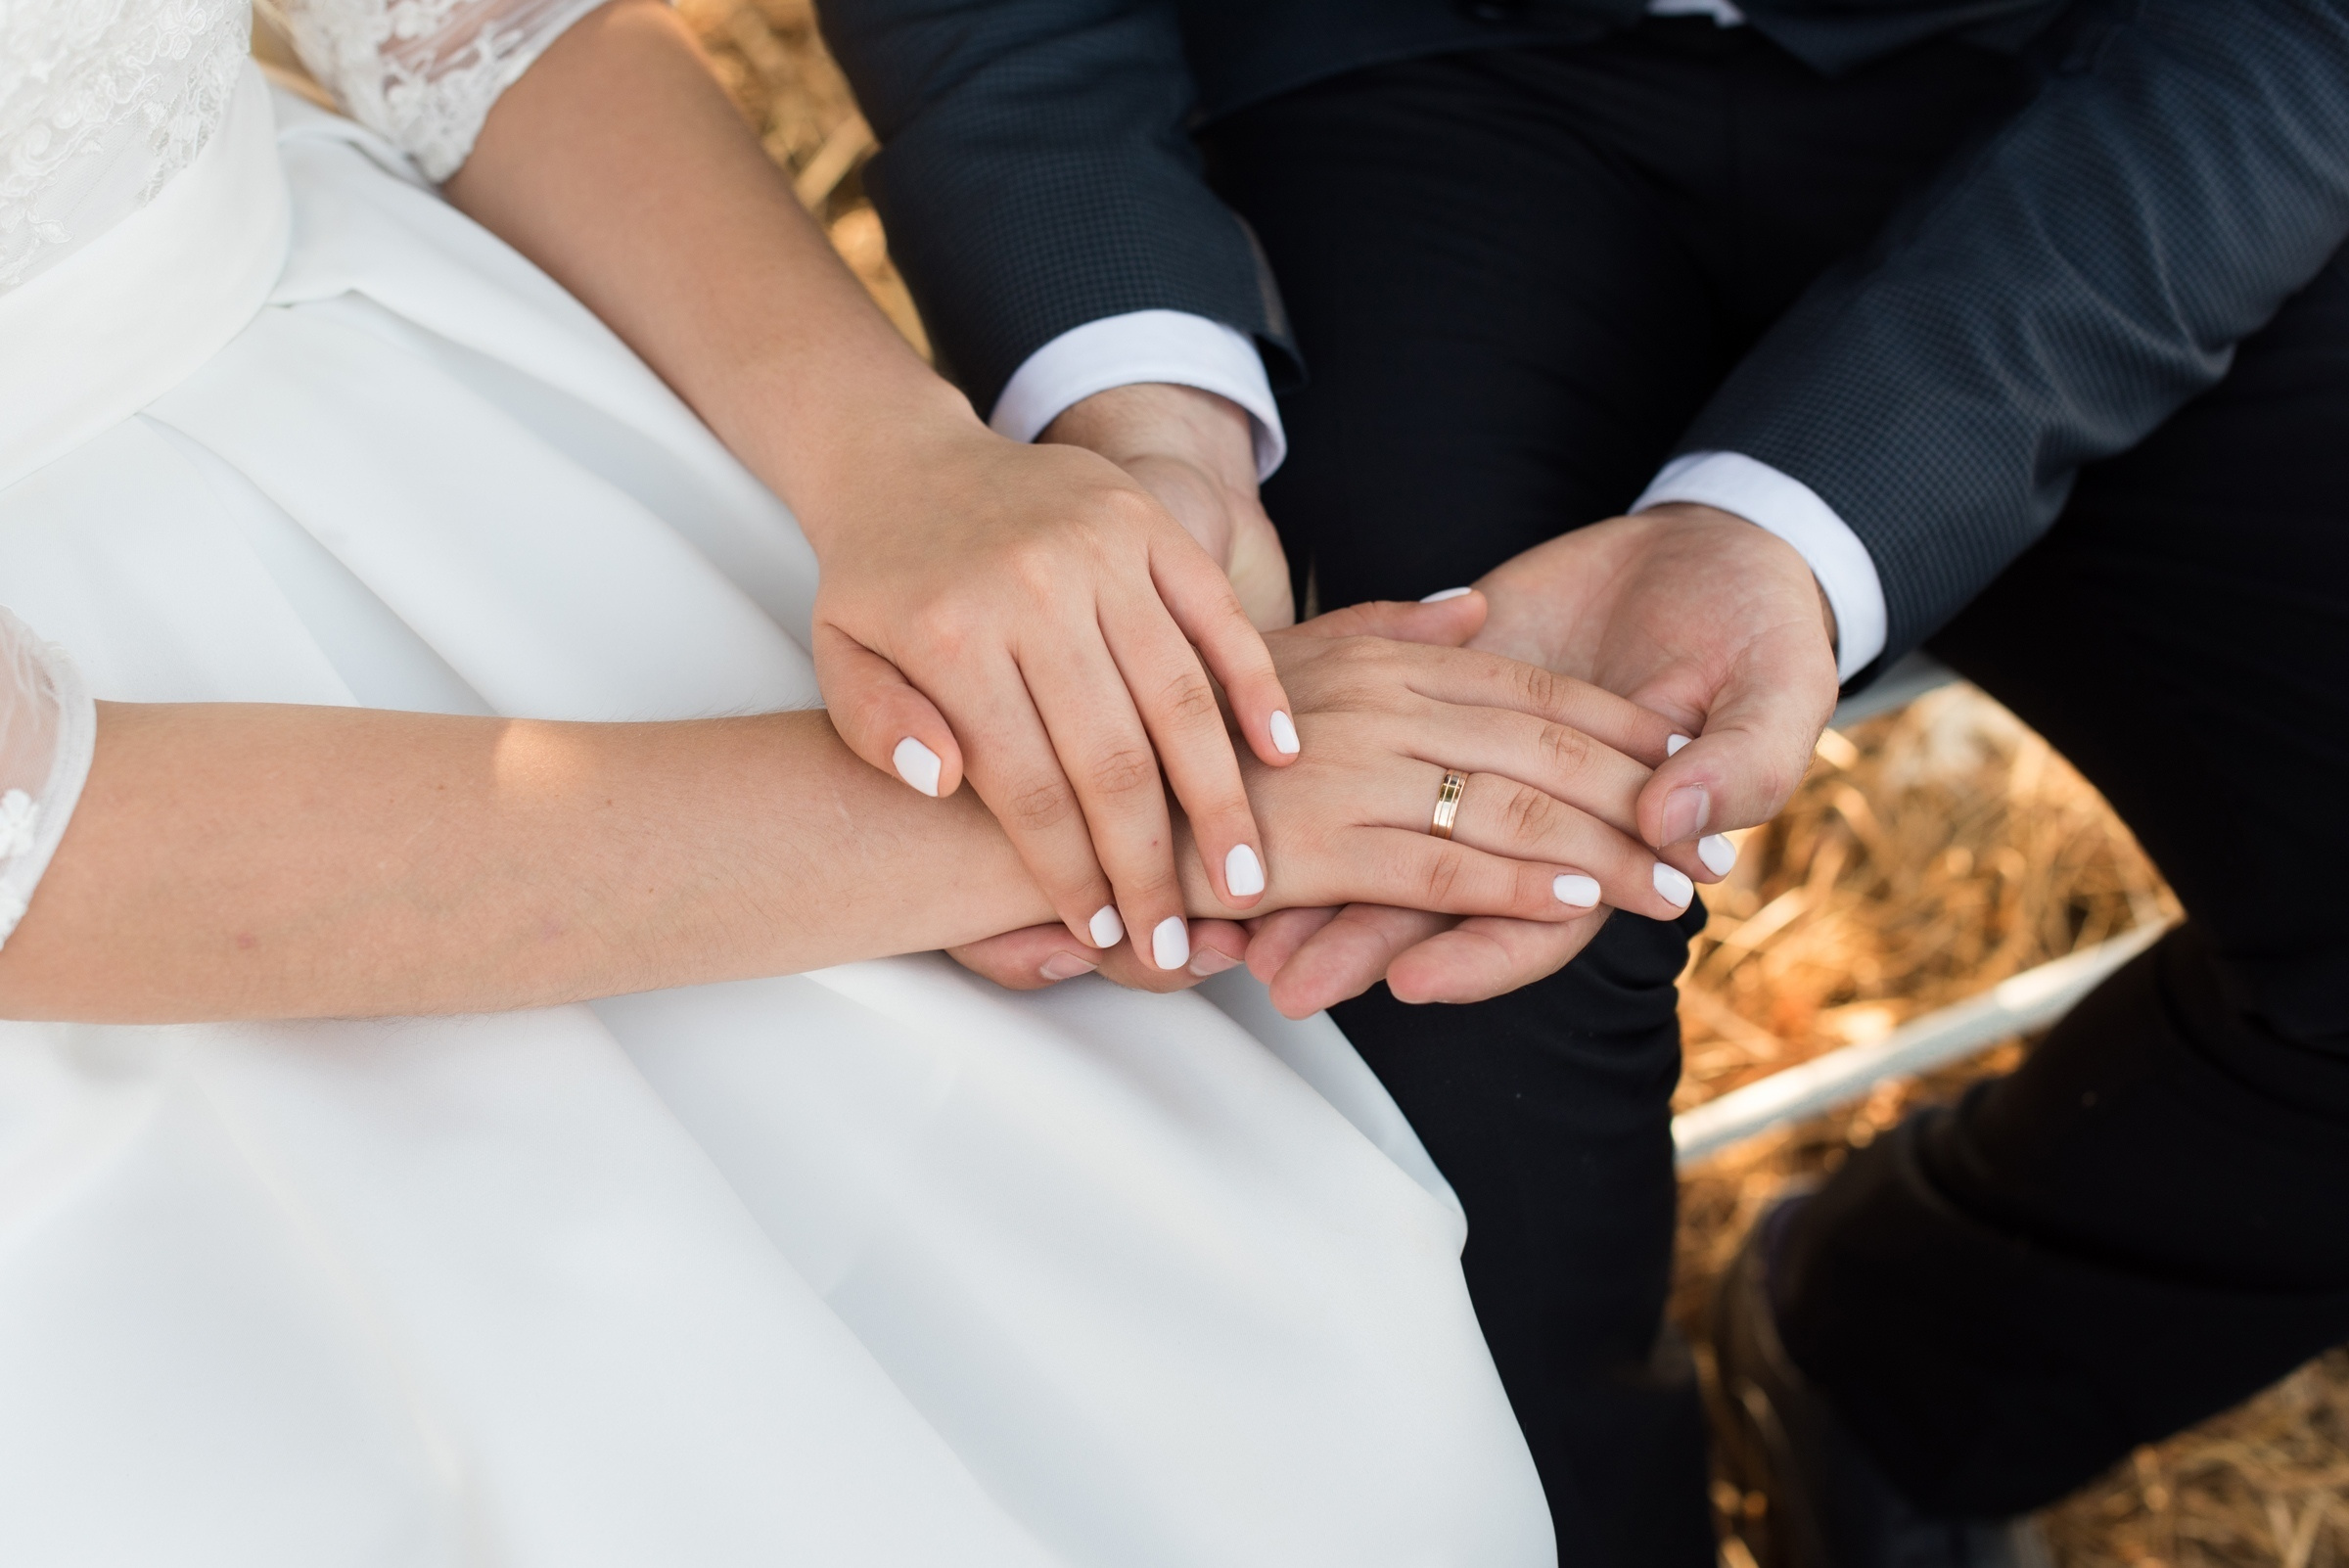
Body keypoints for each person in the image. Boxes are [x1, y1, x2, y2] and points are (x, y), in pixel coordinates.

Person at [0, 0, 1723, 1557]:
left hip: (413, 400)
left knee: (1294, 1379)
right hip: (142, 904)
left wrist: (903, 469)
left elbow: (475, 28)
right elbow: (44, 858)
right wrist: (1083, 814)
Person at [809, 0, 2349, 1563]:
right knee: (1409, 978)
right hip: (1373, 74)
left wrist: (1806, 514)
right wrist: (1147, 410)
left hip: (2117, 102)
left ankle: (1891, 1375)